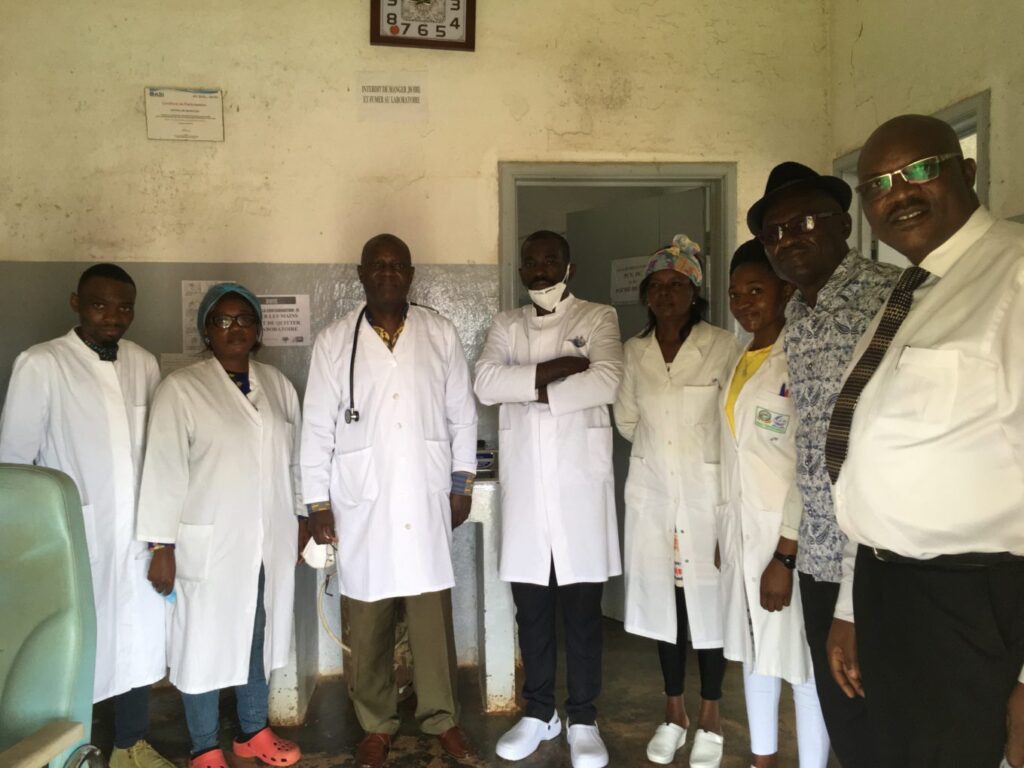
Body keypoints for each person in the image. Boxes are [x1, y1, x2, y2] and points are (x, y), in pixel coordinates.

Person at [824, 114, 1024, 768]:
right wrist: (854, 606)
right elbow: (871, 464)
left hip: (975, 602)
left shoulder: (1014, 275)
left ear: (966, 171)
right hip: (890, 588)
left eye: (919, 170)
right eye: (878, 184)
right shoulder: (912, 292)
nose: (899, 193)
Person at [301, 234, 478, 768]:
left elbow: (461, 413)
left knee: (430, 619)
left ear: (410, 273)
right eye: (376, 264)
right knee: (369, 619)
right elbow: (317, 426)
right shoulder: (336, 340)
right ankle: (375, 725)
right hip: (362, 502)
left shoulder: (439, 332)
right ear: (361, 273)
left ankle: (441, 719)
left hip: (426, 495)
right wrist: (317, 503)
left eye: (396, 264)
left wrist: (462, 482)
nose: (386, 272)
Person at [745, 161, 899, 767]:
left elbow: (885, 459)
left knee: (891, 718)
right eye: (774, 232)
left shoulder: (894, 299)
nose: (788, 239)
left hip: (886, 559)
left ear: (844, 223)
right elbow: (809, 451)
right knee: (848, 720)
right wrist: (790, 553)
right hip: (819, 557)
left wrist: (852, 603)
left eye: (805, 222)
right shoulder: (800, 319)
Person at [0, 264, 171, 768]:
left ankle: (131, 745)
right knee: (75, 646)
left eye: (124, 307)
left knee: (137, 641)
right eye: (99, 304)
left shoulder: (144, 363)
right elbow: (16, 464)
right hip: (73, 536)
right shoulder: (42, 363)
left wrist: (161, 539)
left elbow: (158, 453)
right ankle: (74, 753)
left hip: (137, 534)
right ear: (76, 303)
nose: (112, 316)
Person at [135, 283, 304, 768]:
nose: (235, 328)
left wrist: (300, 519)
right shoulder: (181, 389)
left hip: (267, 541)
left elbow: (296, 462)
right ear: (206, 331)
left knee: (257, 634)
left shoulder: (277, 385)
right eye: (223, 320)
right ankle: (205, 746)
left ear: (258, 330)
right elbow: (164, 470)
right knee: (201, 643)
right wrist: (161, 546)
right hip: (206, 544)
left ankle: (253, 731)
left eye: (244, 319)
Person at [475, 230, 623, 768]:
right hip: (527, 494)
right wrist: (560, 369)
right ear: (521, 271)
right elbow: (485, 383)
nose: (540, 269)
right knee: (532, 611)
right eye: (531, 261)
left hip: (580, 489)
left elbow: (607, 380)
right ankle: (540, 712)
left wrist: (526, 389)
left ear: (569, 267)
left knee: (583, 612)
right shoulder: (505, 324)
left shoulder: (598, 317)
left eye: (550, 259)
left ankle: (582, 717)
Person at [612, 235, 739, 768]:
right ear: (646, 294)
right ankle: (673, 713)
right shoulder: (634, 351)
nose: (666, 293)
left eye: (677, 284)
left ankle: (710, 715)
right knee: (667, 608)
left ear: (695, 292)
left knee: (707, 606)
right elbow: (627, 420)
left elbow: (734, 423)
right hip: (654, 498)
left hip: (707, 498)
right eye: (657, 285)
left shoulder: (723, 346)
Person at [718, 240, 829, 768]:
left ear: (785, 290)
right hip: (743, 533)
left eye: (756, 291)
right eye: (735, 293)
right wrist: (726, 536)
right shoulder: (740, 357)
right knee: (755, 654)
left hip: (791, 540)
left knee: (801, 663)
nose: (743, 303)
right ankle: (762, 760)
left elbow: (811, 463)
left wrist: (786, 554)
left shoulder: (800, 357)